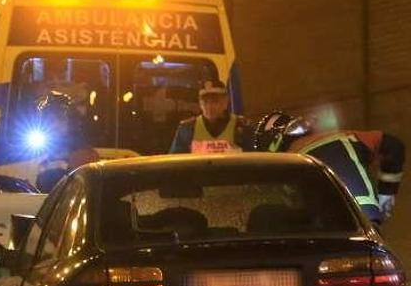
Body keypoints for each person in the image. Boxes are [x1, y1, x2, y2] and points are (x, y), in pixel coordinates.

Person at [253, 111, 405, 223]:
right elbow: (393, 145)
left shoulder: (290, 162)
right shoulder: (347, 136)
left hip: (331, 232)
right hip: (367, 219)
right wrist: (387, 193)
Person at [34, 91, 99, 192]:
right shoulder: (42, 150)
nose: (53, 124)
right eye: (49, 119)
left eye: (60, 118)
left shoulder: (82, 154)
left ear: (71, 121)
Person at [169, 79, 253, 154]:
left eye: (215, 101)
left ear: (225, 102)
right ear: (200, 104)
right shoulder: (188, 129)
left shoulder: (241, 127)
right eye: (205, 102)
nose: (209, 107)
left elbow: (253, 161)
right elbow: (175, 162)